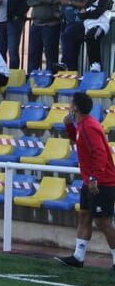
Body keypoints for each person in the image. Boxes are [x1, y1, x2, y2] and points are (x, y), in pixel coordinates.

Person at [55, 93, 115, 271]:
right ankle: (78, 257)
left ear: (76, 108)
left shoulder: (89, 127)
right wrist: (68, 126)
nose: (69, 107)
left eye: (71, 105)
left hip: (102, 181)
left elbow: (100, 154)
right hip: (91, 180)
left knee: (102, 221)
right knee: (85, 216)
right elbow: (78, 142)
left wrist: (95, 178)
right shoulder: (83, 126)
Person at [62, 0, 112, 72]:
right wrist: (86, 14)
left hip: (99, 25)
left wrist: (86, 14)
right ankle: (67, 64)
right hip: (88, 25)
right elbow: (82, 13)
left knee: (92, 37)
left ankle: (96, 64)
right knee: (67, 36)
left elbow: (97, 13)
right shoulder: (91, 0)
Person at [27, 0, 65, 72]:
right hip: (36, 24)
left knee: (51, 55)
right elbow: (29, 1)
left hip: (50, 25)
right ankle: (31, 78)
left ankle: (50, 79)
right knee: (33, 54)